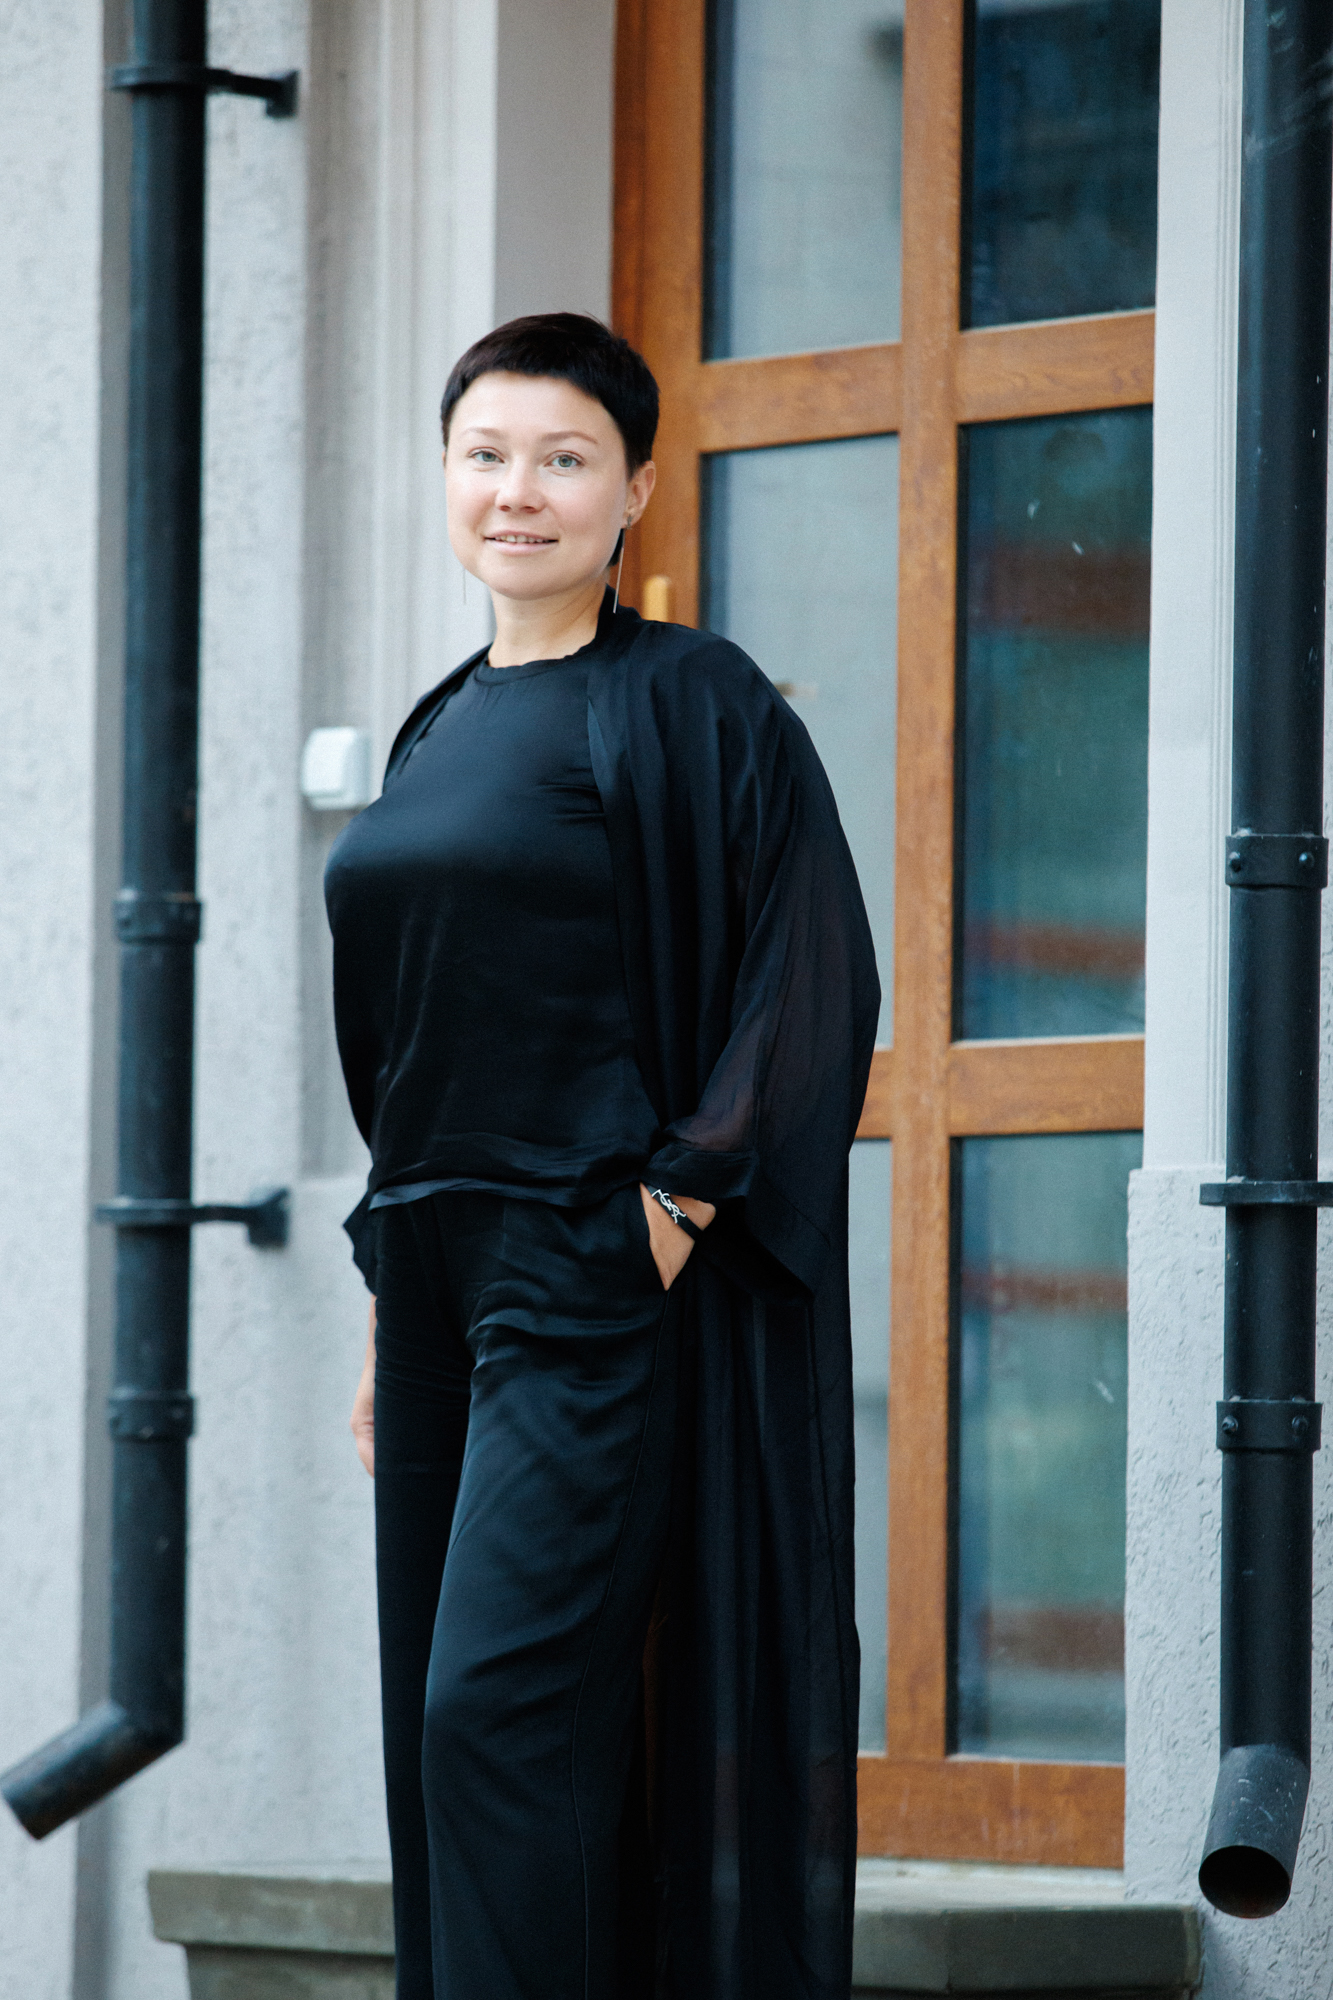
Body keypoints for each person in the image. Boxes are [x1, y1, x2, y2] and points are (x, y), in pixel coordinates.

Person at [324, 312, 879, 2000]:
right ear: (444, 475)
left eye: (563, 459)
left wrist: (676, 1197)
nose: (518, 491)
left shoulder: (690, 699)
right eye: (484, 455)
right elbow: (412, 1032)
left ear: (634, 488)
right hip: (430, 1275)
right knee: (446, 1742)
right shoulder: (432, 728)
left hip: (582, 1265)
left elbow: (812, 968)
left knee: (491, 1715)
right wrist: (384, 1300)